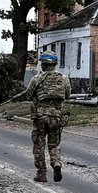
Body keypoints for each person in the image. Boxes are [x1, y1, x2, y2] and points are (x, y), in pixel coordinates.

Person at [23, 50, 71, 182]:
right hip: (56, 117)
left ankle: (41, 173)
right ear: (55, 64)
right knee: (54, 144)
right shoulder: (64, 79)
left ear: (43, 65)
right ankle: (56, 163)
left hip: (40, 117)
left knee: (39, 145)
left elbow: (28, 95)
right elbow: (67, 95)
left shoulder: (37, 79)